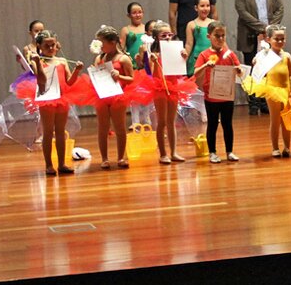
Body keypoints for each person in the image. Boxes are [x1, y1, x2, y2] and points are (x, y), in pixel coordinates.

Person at [17, 30, 88, 175]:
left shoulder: (61, 61)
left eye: (53, 45)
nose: (50, 48)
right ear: (39, 46)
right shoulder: (36, 61)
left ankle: (62, 163)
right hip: (47, 98)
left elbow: (69, 82)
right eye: (47, 45)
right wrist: (38, 62)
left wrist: (76, 70)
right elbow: (41, 80)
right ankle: (49, 165)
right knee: (48, 132)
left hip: (61, 98)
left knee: (61, 132)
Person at [136, 21, 197, 164]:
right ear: (156, 37)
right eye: (164, 35)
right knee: (162, 121)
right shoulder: (153, 53)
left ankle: (174, 152)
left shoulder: (175, 50)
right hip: (159, 88)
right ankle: (163, 153)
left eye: (170, 34)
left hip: (173, 86)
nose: (168, 38)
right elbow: (150, 73)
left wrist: (183, 56)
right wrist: (151, 60)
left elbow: (179, 68)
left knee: (171, 121)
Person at [245, 25, 291, 158]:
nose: (280, 41)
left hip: (286, 90)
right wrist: (256, 62)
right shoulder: (264, 55)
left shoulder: (286, 56)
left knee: (286, 120)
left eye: (282, 39)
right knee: (275, 120)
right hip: (272, 90)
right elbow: (257, 67)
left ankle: (287, 147)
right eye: (276, 39)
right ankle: (275, 147)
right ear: (269, 39)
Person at [234, 0, 284, 115]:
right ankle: (253, 102)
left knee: (268, 69)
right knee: (252, 68)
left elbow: (280, 9)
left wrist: (270, 29)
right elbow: (243, 13)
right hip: (250, 36)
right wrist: (263, 28)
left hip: (269, 37)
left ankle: (265, 101)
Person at [192, 21, 243, 163]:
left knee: (227, 124)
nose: (220, 39)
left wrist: (239, 70)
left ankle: (229, 151)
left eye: (223, 36)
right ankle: (212, 152)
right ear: (209, 36)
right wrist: (205, 65)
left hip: (227, 96)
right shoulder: (204, 54)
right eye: (217, 36)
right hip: (211, 96)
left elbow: (240, 71)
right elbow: (195, 73)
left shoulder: (230, 54)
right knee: (212, 124)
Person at [91, 25, 141, 170]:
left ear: (112, 42)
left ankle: (121, 157)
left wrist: (120, 77)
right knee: (103, 128)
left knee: (119, 127)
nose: (100, 46)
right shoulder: (99, 58)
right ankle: (104, 158)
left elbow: (132, 78)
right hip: (103, 95)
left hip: (118, 96)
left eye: (102, 42)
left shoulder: (123, 59)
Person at [184, 0, 214, 76]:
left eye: (208, 6)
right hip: (196, 57)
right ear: (196, 8)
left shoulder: (214, 23)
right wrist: (183, 60)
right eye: (202, 6)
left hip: (212, 57)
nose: (205, 8)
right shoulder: (191, 24)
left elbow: (222, 42)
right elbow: (189, 44)